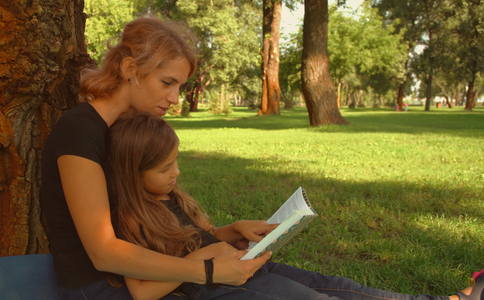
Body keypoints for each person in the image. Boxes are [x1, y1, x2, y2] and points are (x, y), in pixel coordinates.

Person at [106, 111, 484, 300]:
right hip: (216, 288)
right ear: (131, 171)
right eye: (164, 168)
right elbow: (141, 289)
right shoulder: (130, 215)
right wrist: (205, 268)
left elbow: (203, 238)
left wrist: (232, 231)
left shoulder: (169, 195)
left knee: (334, 285)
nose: (177, 172)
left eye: (176, 161)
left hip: (242, 267)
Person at [40, 16, 271, 300]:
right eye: (166, 83)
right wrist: (207, 269)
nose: (175, 98)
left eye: (180, 87)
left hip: (156, 275)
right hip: (101, 288)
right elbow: (103, 252)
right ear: (129, 69)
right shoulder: (80, 130)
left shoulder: (128, 129)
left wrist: (225, 234)